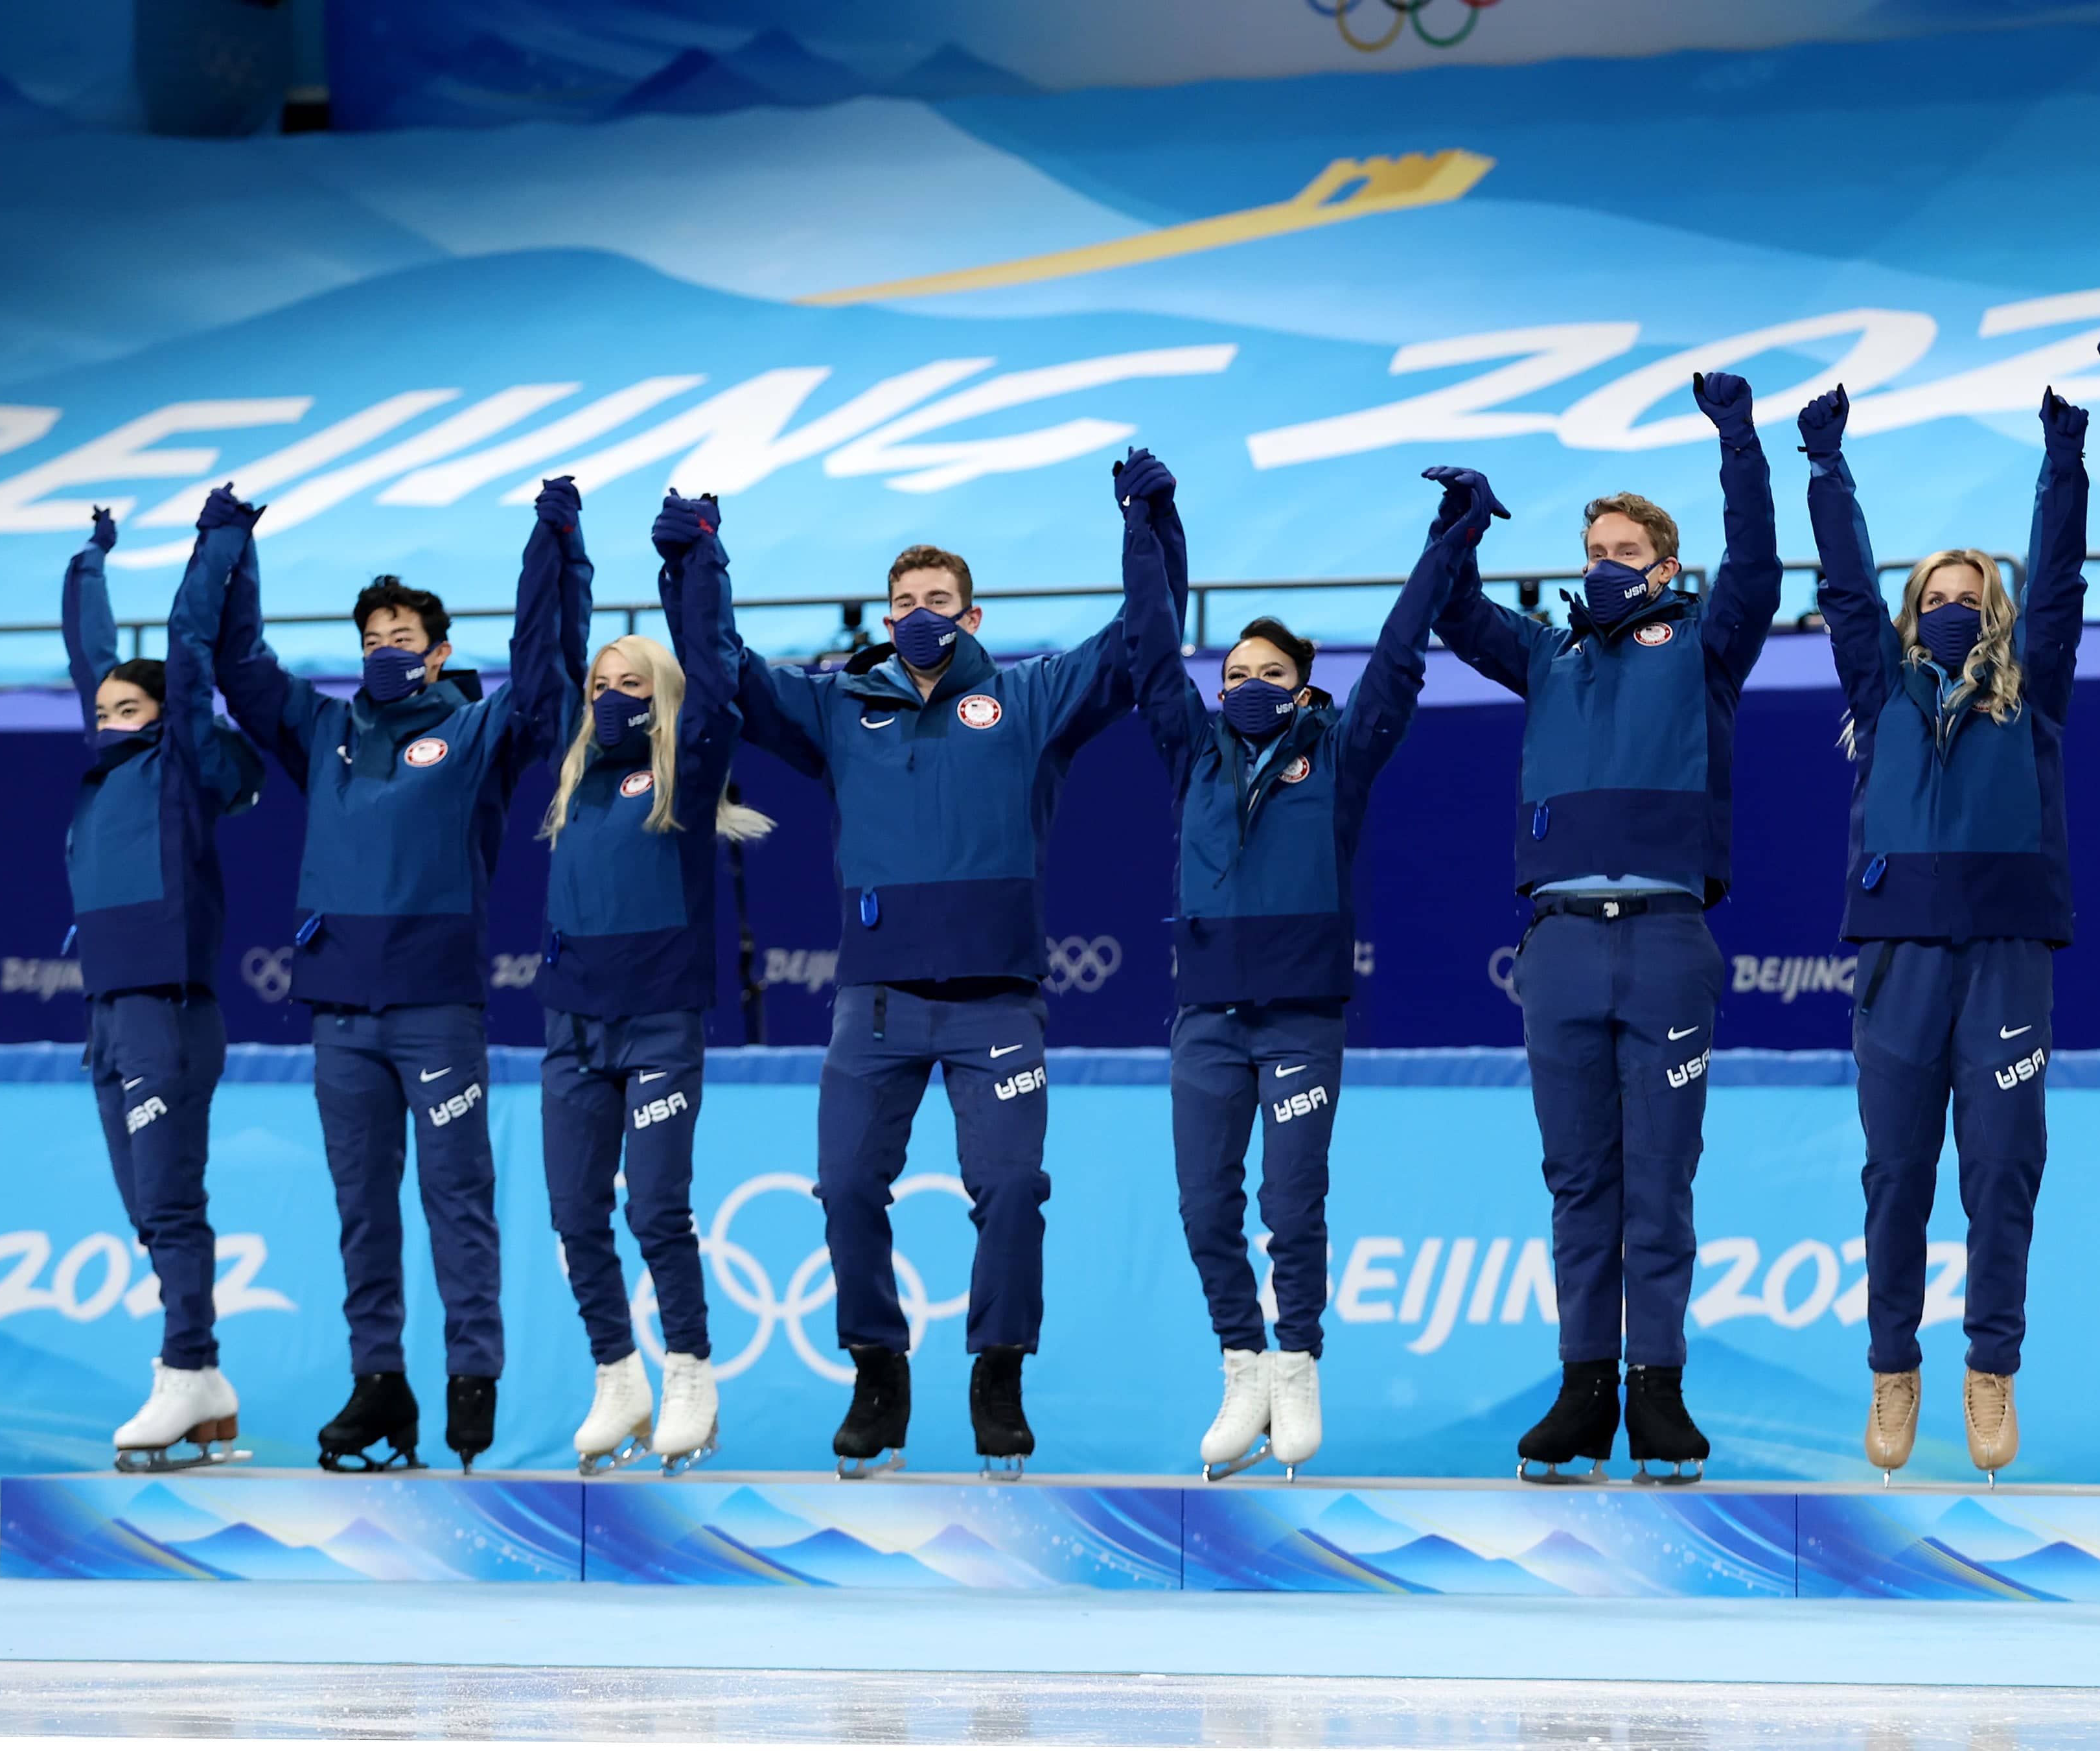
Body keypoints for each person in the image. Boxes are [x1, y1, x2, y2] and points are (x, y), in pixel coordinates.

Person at [713, 512, 1137, 1477]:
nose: (918, 616)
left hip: (995, 1002)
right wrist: (699, 559)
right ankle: (876, 1367)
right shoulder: (840, 709)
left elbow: (1138, 636)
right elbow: (725, 664)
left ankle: (998, 1372)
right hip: (875, 1003)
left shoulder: (1028, 698)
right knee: (848, 1186)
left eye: (937, 602)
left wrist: (1148, 528)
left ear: (973, 614)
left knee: (1013, 1189)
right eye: (903, 603)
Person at [1120, 451, 1505, 1479]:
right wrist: (1143, 521)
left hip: (1298, 1018)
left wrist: (1450, 537)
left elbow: (1399, 653)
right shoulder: (1191, 752)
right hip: (1205, 1014)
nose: (1246, 686)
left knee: (1291, 1203)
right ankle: (1241, 1363)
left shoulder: (1337, 753)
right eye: (1235, 674)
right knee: (1205, 1205)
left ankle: (1297, 1364)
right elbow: (1151, 649)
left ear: (1304, 691)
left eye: (1269, 676)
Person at [1433, 371, 1781, 1482]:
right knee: (1579, 1181)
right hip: (1562, 946)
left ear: (1666, 566)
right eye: (1594, 545)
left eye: (1626, 548)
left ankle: (1658, 1393)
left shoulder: (1705, 647)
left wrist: (1738, 439)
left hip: (1669, 942)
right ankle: (1584, 1391)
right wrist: (1456, 530)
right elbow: (1454, 616)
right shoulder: (1549, 655)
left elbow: (1763, 566)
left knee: (1659, 1182)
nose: (1604, 562)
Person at [204, 478, 583, 1471]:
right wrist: (230, 548)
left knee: (457, 1198)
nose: (386, 644)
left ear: (440, 650)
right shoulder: (319, 731)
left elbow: (545, 676)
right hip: (340, 1016)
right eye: (373, 630)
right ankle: (379, 1383)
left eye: (405, 631)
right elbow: (239, 666)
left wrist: (553, 548)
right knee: (362, 1209)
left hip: (436, 1011)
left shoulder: (474, 733)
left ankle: (472, 1374)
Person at [1799, 384, 2090, 1481]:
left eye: (1972, 597)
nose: (1954, 610)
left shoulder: (2034, 694)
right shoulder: (1879, 691)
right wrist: (1825, 463)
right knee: (1896, 1175)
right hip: (1899, 960)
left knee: (2004, 1166)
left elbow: (2057, 577)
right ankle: (1890, 1364)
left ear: (1995, 613)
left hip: (2008, 959)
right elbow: (1838, 584)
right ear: (1912, 613)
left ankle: (1990, 1366)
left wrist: (2064, 453)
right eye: (1936, 598)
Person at [538, 492, 773, 1478]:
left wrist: (697, 562)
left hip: (661, 1024)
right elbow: (541, 646)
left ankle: (688, 1370)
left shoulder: (684, 770)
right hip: (571, 1026)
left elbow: (717, 678)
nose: (606, 693)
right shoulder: (573, 773)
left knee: (656, 1208)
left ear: (660, 694)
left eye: (629, 681)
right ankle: (616, 1370)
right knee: (574, 1211)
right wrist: (557, 545)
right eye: (599, 680)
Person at [63, 498, 264, 1470]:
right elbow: (90, 652)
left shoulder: (179, 763)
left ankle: (186, 1364)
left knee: (172, 1205)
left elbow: (185, 658)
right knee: (146, 1210)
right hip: (107, 1017)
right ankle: (206, 1378)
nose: (106, 722)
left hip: (168, 1014)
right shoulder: (107, 768)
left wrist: (217, 543)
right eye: (100, 712)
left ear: (164, 719)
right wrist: (88, 561)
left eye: (124, 710)